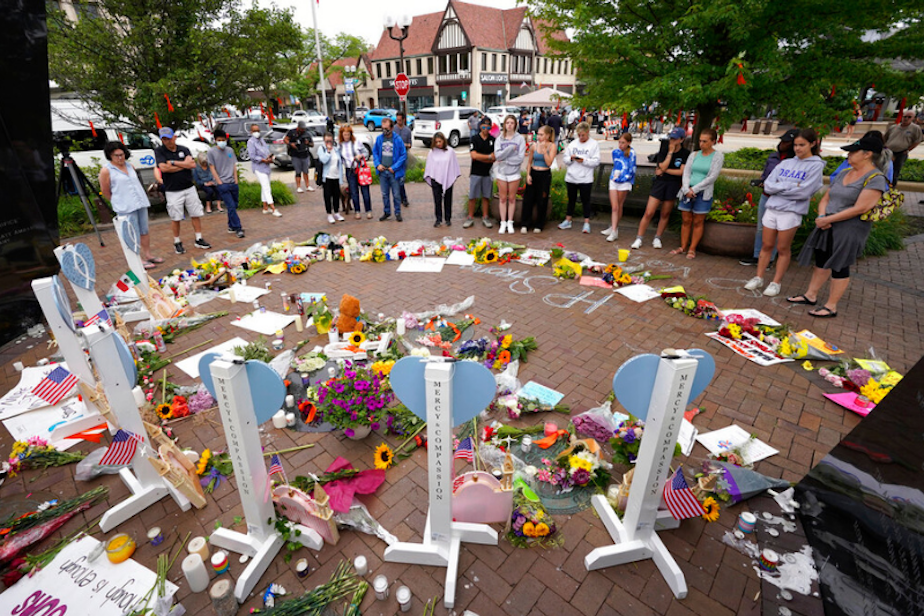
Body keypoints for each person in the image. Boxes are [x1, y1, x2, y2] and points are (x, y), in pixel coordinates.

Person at [788, 131, 888, 318]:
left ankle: (831, 306)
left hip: (849, 229)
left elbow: (861, 208)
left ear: (867, 154)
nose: (848, 155)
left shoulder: (875, 179)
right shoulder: (844, 173)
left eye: (853, 152)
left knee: (839, 265)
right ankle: (810, 295)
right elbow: (826, 197)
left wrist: (828, 219)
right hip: (827, 223)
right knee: (822, 260)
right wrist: (822, 215)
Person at [743, 129, 824, 296]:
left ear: (812, 144)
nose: (798, 148)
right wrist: (790, 187)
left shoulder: (816, 165)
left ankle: (776, 282)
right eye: (795, 145)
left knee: (782, 248)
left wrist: (781, 188)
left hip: (791, 211)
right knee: (766, 245)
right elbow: (769, 184)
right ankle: (759, 277)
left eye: (802, 145)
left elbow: (805, 192)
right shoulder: (786, 163)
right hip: (773, 208)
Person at [739, 128, 798, 265]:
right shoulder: (773, 157)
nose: (782, 144)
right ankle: (757, 256)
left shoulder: (794, 161)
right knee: (762, 227)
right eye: (782, 141)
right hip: (767, 195)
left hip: (782, 199)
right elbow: (766, 174)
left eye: (787, 142)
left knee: (777, 229)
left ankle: (770, 259)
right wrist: (762, 182)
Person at [99, 141, 163, 267]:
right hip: (125, 206)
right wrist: (116, 201)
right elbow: (106, 190)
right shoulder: (106, 170)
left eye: (121, 154)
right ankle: (137, 258)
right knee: (131, 233)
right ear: (110, 156)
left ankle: (148, 254)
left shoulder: (130, 166)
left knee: (144, 230)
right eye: (116, 155)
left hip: (139, 202)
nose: (120, 158)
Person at [630, 127, 689, 249]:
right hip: (660, 183)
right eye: (671, 138)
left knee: (665, 213)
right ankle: (639, 238)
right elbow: (661, 165)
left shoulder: (685, 153)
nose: (672, 141)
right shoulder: (664, 149)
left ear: (682, 140)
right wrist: (670, 153)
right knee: (649, 211)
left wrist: (665, 170)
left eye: (675, 139)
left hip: (673, 184)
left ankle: (658, 237)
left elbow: (681, 172)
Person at [154, 127, 211, 254]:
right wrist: (183, 165)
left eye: (168, 138)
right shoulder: (159, 151)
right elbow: (163, 168)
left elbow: (192, 165)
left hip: (189, 187)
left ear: (174, 137)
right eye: (164, 139)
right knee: (176, 217)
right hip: (172, 190)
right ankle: (177, 241)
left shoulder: (183, 149)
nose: (167, 141)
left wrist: (173, 163)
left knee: (195, 213)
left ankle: (199, 238)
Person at [673, 128, 725, 259]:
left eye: (705, 141)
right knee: (686, 220)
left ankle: (692, 248)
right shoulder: (694, 154)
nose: (701, 144)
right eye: (700, 141)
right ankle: (683, 246)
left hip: (702, 192)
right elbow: (687, 172)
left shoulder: (717, 156)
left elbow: (712, 177)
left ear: (713, 141)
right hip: (687, 190)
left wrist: (694, 189)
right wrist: (686, 188)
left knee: (698, 221)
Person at [558, 122, 600, 233]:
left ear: (587, 133)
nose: (581, 137)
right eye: (579, 135)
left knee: (586, 200)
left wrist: (584, 161)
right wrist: (571, 159)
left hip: (585, 178)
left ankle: (586, 222)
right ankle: (568, 220)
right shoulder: (573, 144)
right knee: (571, 200)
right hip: (572, 177)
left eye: (583, 135)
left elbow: (596, 161)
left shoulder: (594, 144)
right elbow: (565, 159)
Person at [207, 129, 244, 238]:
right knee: (231, 206)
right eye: (219, 140)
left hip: (233, 182)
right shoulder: (211, 152)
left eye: (223, 140)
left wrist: (236, 180)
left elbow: (233, 165)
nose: (222, 142)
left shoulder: (230, 151)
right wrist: (219, 182)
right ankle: (238, 228)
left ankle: (231, 225)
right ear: (215, 140)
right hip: (222, 183)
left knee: (234, 205)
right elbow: (212, 167)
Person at [493, 114, 527, 234]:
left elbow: (520, 158)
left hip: (514, 173)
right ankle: (503, 223)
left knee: (512, 198)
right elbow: (498, 156)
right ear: (504, 124)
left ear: (515, 125)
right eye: (507, 123)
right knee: (502, 198)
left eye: (512, 123)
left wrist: (505, 159)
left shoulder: (520, 139)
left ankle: (510, 222)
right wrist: (510, 149)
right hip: (502, 172)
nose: (509, 125)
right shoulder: (499, 139)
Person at [520, 125, 556, 234]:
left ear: (548, 135)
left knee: (542, 199)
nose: (539, 137)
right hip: (534, 172)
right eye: (538, 134)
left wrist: (545, 151)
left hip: (544, 174)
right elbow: (530, 161)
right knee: (528, 199)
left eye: (541, 134)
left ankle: (539, 224)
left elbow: (549, 163)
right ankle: (525, 223)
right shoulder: (534, 146)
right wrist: (528, 175)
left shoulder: (552, 146)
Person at [602, 133, 636, 242]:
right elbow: (616, 165)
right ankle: (613, 228)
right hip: (614, 180)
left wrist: (624, 178)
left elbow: (631, 169)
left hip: (624, 182)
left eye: (623, 143)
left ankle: (614, 229)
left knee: (618, 205)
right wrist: (615, 177)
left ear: (629, 143)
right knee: (614, 206)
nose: (620, 145)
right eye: (619, 142)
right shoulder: (615, 152)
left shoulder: (632, 153)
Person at [372, 117, 407, 222]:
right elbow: (375, 153)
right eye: (382, 128)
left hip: (393, 172)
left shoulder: (397, 139)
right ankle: (387, 212)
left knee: (396, 194)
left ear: (392, 128)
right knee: (384, 194)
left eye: (386, 128)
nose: (384, 131)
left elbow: (403, 155)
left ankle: (397, 212)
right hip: (383, 171)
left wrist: (395, 167)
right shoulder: (379, 139)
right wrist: (377, 164)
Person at [424, 132, 461, 227]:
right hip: (435, 178)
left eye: (440, 141)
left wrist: (452, 176)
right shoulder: (431, 152)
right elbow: (430, 166)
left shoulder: (450, 151)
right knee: (437, 200)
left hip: (447, 177)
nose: (438, 144)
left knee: (448, 199)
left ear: (444, 141)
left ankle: (448, 218)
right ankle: (438, 219)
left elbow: (453, 164)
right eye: (436, 142)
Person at [465, 117, 495, 229]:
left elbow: (495, 157)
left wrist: (480, 157)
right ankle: (470, 217)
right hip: (476, 172)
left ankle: (485, 217)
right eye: (483, 126)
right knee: (472, 196)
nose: (485, 129)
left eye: (488, 127)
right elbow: (473, 156)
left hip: (488, 172)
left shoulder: (493, 140)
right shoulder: (474, 139)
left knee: (486, 196)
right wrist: (488, 157)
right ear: (480, 126)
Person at [246, 124, 281, 217]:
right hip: (259, 167)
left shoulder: (261, 140)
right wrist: (263, 160)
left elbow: (266, 151)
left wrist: (270, 157)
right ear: (251, 132)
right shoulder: (250, 142)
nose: (257, 133)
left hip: (266, 166)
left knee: (265, 186)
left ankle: (265, 208)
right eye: (254, 131)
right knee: (266, 188)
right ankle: (273, 208)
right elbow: (252, 156)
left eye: (258, 130)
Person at [339, 124, 372, 219]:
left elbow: (366, 152)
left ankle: (368, 210)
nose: (346, 137)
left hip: (360, 169)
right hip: (349, 170)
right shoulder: (340, 145)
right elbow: (340, 159)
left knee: (365, 191)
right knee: (353, 192)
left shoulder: (357, 142)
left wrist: (360, 156)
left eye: (348, 134)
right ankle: (357, 211)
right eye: (345, 135)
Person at [884, 109, 921, 186]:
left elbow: (917, 141)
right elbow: (885, 138)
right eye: (905, 116)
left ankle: (891, 188)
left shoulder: (915, 128)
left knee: (895, 172)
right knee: (884, 170)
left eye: (909, 117)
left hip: (900, 153)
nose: (906, 118)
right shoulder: (894, 127)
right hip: (888, 152)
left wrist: (907, 149)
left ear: (913, 118)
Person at [317, 132, 344, 224]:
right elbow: (323, 160)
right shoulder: (322, 149)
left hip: (336, 176)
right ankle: (329, 214)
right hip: (327, 177)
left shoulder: (336, 149)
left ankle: (336, 212)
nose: (329, 142)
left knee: (336, 195)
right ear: (324, 140)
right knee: (327, 196)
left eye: (330, 139)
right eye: (327, 140)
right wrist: (328, 151)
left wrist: (341, 177)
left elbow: (339, 163)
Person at [284, 121, 315, 193]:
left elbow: (312, 144)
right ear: (298, 128)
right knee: (298, 171)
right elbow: (285, 139)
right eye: (301, 129)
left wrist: (308, 143)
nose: (303, 130)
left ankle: (308, 186)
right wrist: (290, 144)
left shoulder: (307, 134)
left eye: (304, 129)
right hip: (295, 155)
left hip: (305, 154)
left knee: (306, 171)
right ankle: (298, 187)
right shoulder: (292, 132)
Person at [395, 112, 413, 209]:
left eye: (400, 120)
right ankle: (403, 198)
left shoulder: (407, 130)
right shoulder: (393, 129)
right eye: (397, 120)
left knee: (401, 179)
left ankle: (403, 198)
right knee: (396, 180)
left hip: (403, 156)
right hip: (394, 158)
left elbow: (410, 145)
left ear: (404, 120)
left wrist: (403, 145)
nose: (398, 122)